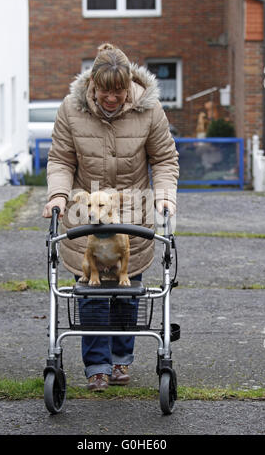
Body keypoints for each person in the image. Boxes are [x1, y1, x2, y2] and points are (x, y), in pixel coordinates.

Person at [42, 43, 179, 391]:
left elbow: (164, 160)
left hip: (133, 214)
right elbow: (61, 159)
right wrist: (58, 196)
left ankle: (121, 361)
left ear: (129, 85)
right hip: (84, 214)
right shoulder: (71, 110)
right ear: (93, 85)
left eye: (119, 91)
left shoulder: (150, 110)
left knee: (127, 290)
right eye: (106, 91)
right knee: (90, 295)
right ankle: (97, 367)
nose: (113, 98)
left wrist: (164, 198)